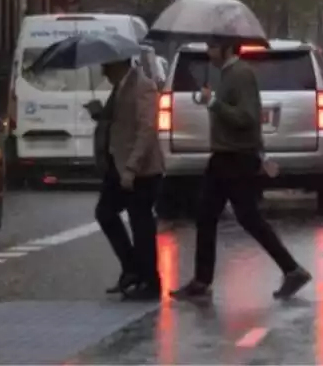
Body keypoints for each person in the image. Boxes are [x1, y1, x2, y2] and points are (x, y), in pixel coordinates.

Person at [170, 40, 311, 301]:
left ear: (227, 48)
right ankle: (202, 281)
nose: (208, 51)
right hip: (225, 157)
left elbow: (246, 117)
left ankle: (292, 269)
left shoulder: (241, 74)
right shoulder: (227, 74)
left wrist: (213, 103)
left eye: (213, 45)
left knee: (246, 217)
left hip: (236, 158)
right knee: (209, 215)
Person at [91, 57, 164, 301]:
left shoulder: (143, 85)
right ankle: (133, 268)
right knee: (105, 213)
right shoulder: (119, 87)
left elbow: (146, 129)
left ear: (118, 64)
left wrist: (132, 167)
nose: (103, 71)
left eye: (106, 66)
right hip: (118, 165)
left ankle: (150, 281)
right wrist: (100, 114)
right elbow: (120, 122)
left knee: (141, 223)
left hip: (140, 169)